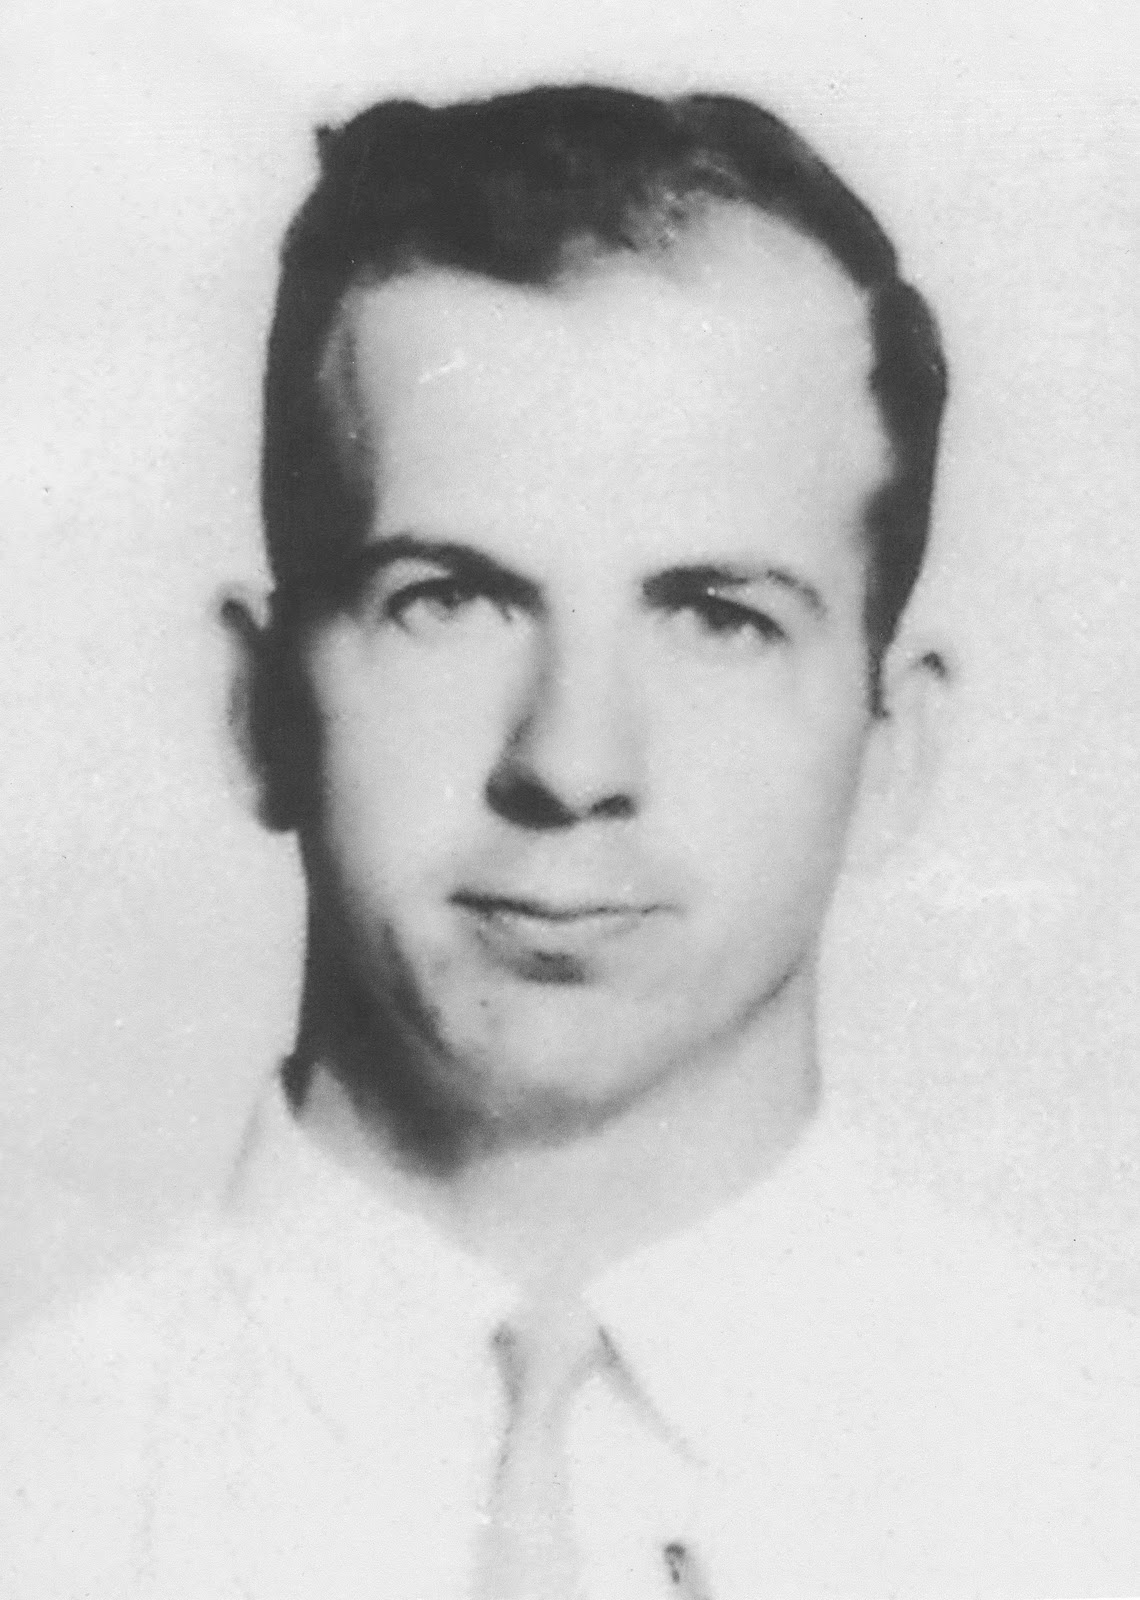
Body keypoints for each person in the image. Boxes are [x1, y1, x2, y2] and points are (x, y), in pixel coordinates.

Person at [2, 83, 1137, 1600]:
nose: (572, 763)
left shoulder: (1097, 1489)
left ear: (894, 744)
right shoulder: (36, 1486)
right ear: (261, 706)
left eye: (719, 619)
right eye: (448, 600)